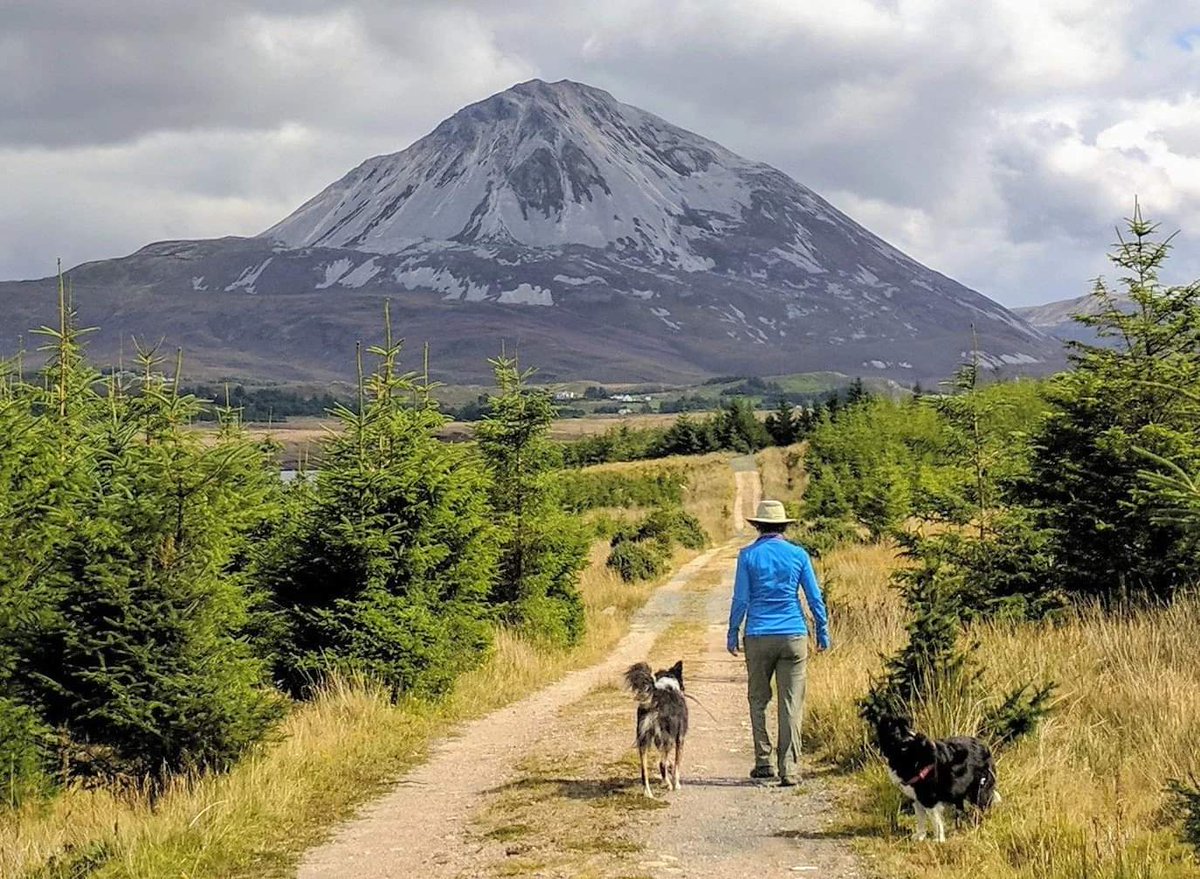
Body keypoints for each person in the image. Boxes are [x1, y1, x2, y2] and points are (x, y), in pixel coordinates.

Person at [727, 499, 830, 786]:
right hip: (793, 635)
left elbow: (741, 598)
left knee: (758, 699)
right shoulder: (798, 555)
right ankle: (789, 768)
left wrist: (733, 631)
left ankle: (763, 762)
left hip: (758, 634)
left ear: (757, 525)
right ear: (784, 525)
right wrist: (822, 631)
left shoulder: (747, 556)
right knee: (791, 704)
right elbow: (814, 597)